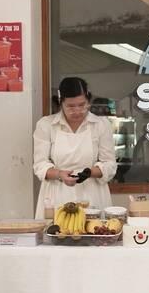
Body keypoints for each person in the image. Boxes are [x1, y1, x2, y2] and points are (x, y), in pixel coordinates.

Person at [33, 77, 117, 219]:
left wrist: (88, 172)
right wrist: (60, 174)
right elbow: (40, 165)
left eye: (82, 105)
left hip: (92, 193)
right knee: (57, 234)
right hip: (57, 194)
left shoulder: (100, 125)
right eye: (71, 106)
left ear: (88, 101)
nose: (77, 111)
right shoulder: (46, 125)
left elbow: (110, 164)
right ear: (61, 103)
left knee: (94, 232)